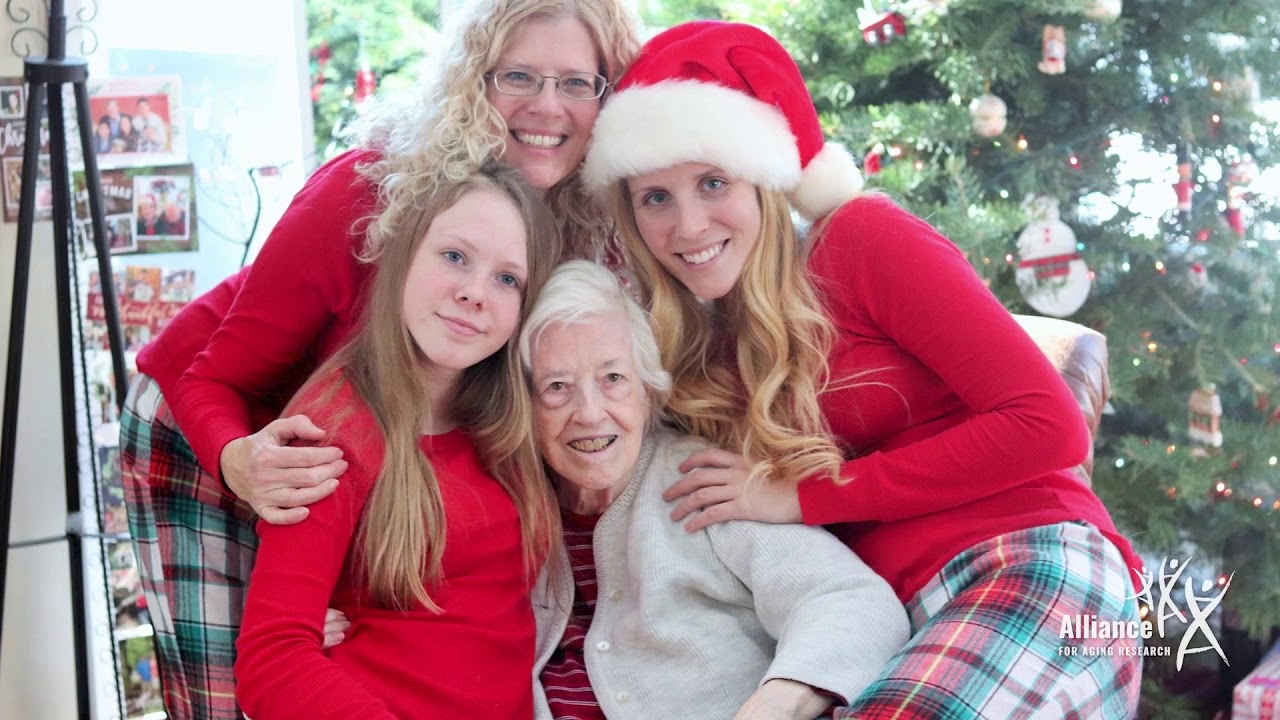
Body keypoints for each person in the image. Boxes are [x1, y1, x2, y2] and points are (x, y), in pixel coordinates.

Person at [581, 21, 1143, 719]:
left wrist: (807, 496)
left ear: (764, 179)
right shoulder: (698, 351)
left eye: (713, 182)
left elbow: (1049, 427)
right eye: (655, 198)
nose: (688, 225)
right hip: (897, 625)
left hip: (1029, 564)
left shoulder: (861, 240)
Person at [118, 1, 638, 718]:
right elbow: (215, 373)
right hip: (208, 415)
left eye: (577, 83)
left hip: (369, 440)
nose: (547, 106)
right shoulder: (364, 194)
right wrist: (238, 460)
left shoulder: (572, 222)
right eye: (518, 75)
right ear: (473, 81)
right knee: (237, 686)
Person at [235, 162, 563, 718]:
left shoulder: (513, 417)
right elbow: (270, 658)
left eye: (508, 278)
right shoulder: (334, 430)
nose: (474, 293)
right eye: (455, 257)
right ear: (404, 254)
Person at [521, 260, 908, 720]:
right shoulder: (513, 506)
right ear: (522, 404)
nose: (589, 412)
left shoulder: (695, 477)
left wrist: (774, 705)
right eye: (557, 386)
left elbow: (853, 600)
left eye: (613, 379)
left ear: (648, 390)